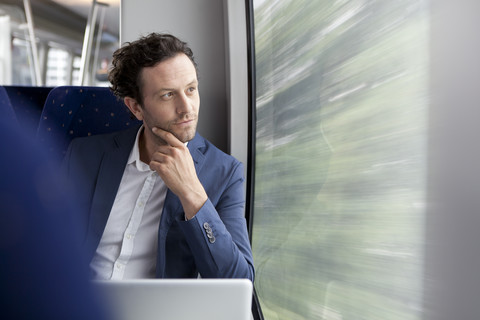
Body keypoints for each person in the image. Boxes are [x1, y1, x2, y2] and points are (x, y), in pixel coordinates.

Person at [62, 33, 254, 281]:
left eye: (191, 89)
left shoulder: (225, 173)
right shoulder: (84, 155)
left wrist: (192, 193)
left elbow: (238, 282)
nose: (187, 108)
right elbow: (46, 244)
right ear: (136, 107)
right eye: (168, 95)